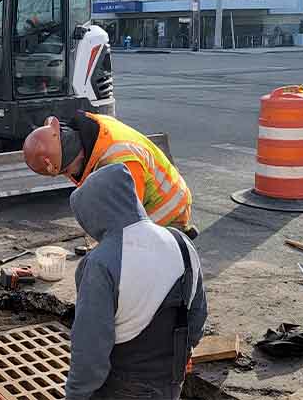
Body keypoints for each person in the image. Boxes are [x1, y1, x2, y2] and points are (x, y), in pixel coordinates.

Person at [65, 164, 207, 400]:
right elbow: (197, 316)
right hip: (171, 382)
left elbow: (91, 348)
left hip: (122, 388)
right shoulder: (181, 242)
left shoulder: (101, 262)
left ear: (93, 214)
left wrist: (75, 396)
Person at [23, 112, 197, 237]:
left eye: (67, 171)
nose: (68, 175)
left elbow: (131, 219)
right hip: (159, 193)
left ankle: (175, 240)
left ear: (78, 157)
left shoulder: (121, 162)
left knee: (134, 259)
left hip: (168, 209)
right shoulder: (92, 131)